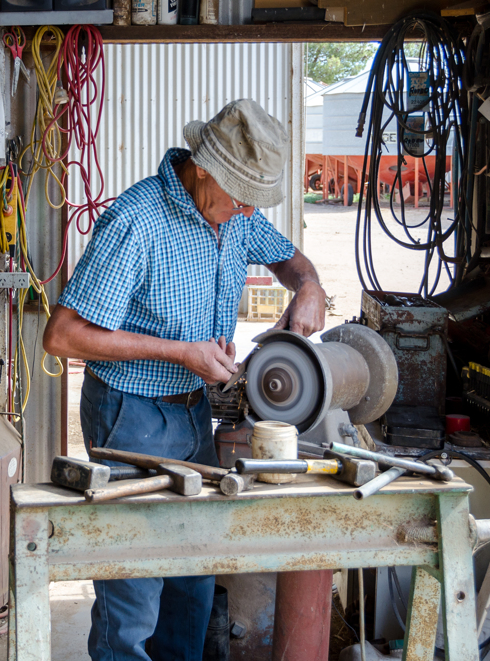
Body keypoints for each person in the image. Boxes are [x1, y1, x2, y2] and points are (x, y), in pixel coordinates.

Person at [42, 99, 327, 661]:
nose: (249, 212)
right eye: (242, 198)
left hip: (194, 412)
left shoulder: (236, 214)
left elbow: (290, 260)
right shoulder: (137, 221)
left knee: (191, 578)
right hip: (131, 416)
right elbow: (62, 335)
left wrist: (310, 287)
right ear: (203, 169)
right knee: (134, 590)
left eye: (254, 203)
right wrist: (181, 353)